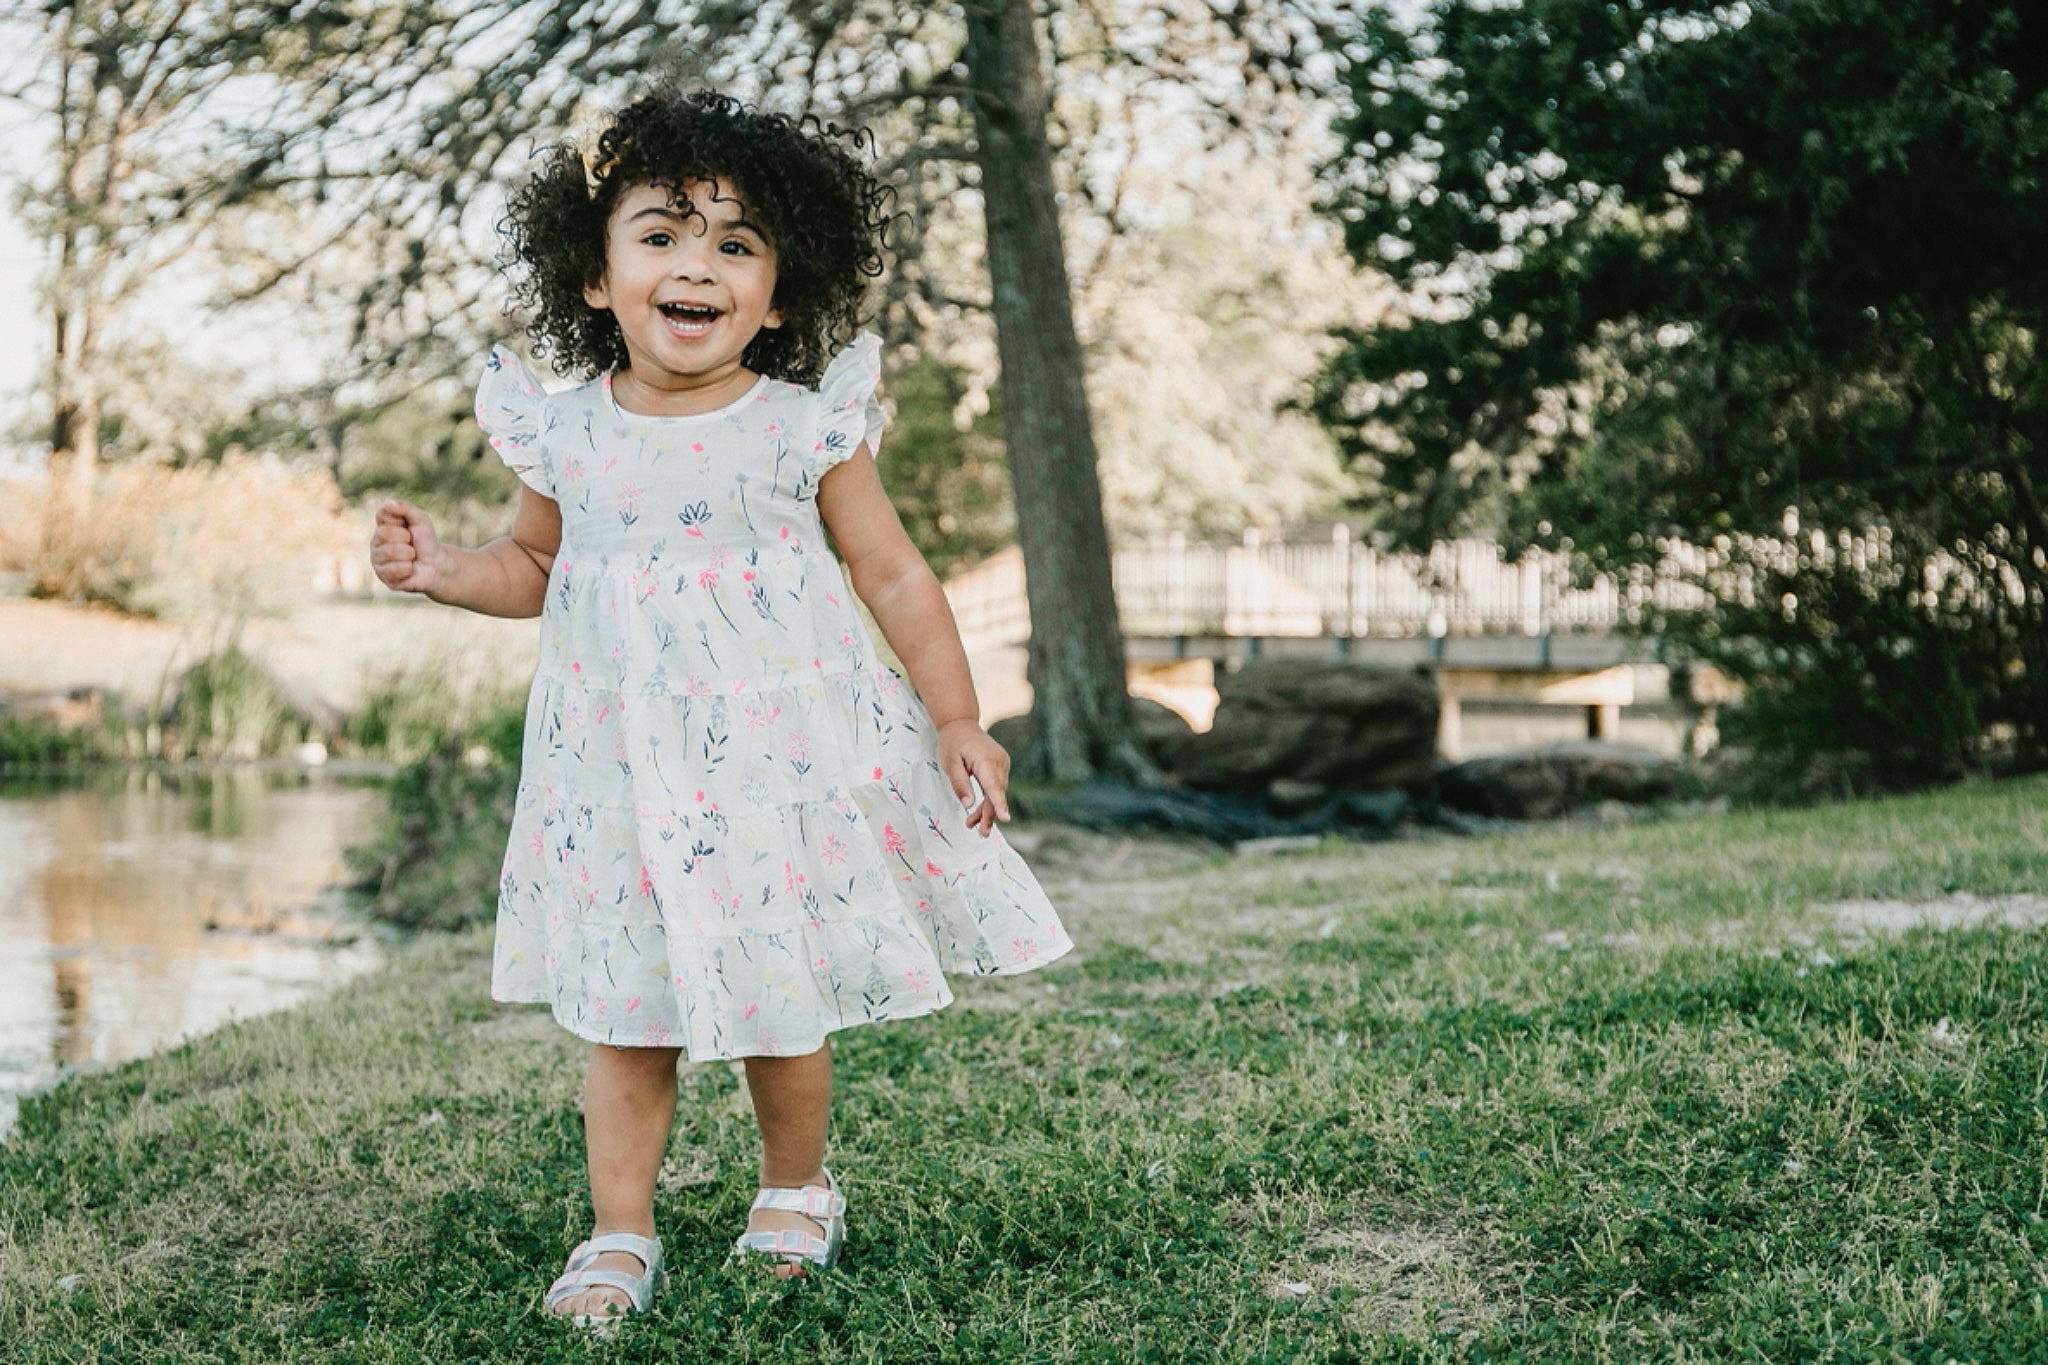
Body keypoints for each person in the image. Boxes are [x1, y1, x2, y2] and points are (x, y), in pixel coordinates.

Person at [366, 86, 1073, 1331]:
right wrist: (442, 571)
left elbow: (892, 575)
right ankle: (619, 1231)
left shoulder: (802, 429)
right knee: (623, 1007)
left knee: (775, 993)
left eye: (736, 244)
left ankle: (794, 1189)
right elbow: (530, 569)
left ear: (780, 294)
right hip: (620, 777)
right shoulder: (565, 434)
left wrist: (958, 716)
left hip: (769, 776)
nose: (697, 265)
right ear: (596, 277)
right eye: (661, 235)